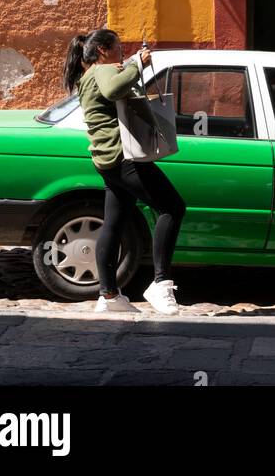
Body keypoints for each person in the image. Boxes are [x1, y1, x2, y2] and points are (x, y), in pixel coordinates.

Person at [62, 29, 185, 316]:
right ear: (103, 50)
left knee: (114, 223)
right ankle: (160, 283)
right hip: (123, 156)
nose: (122, 52)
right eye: (118, 48)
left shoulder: (90, 74)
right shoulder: (102, 70)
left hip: (107, 159)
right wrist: (137, 63)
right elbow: (112, 90)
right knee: (172, 207)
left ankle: (109, 295)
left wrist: (131, 66)